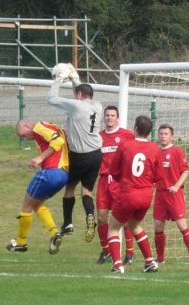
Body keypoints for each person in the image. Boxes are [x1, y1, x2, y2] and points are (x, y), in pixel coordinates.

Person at [47, 67, 103, 243]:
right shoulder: (97, 105)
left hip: (79, 156)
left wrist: (59, 79)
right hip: (96, 155)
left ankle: (68, 223)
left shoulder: (76, 106)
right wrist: (75, 79)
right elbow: (80, 92)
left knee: (69, 188)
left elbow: (51, 99)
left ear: (78, 96)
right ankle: (89, 216)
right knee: (86, 190)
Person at [106, 115, 164, 274]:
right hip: (146, 195)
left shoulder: (126, 146)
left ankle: (117, 265)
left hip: (128, 193)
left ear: (135, 129)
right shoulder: (155, 149)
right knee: (134, 225)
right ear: (150, 131)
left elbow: (114, 171)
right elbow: (159, 176)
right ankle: (150, 261)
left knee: (112, 227)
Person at [6, 120, 68, 255]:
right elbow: (64, 138)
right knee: (37, 205)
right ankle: (54, 233)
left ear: (28, 125)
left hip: (50, 172)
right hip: (63, 175)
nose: (27, 138)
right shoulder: (53, 126)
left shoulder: (39, 127)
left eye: (24, 134)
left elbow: (58, 142)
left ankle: (21, 243)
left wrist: (40, 158)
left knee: (26, 205)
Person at [95, 106, 135, 265]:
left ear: (117, 118)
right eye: (107, 115)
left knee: (124, 218)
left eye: (112, 115)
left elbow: (135, 152)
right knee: (101, 217)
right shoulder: (98, 136)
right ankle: (106, 251)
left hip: (120, 180)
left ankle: (130, 253)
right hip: (104, 180)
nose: (109, 118)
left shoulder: (127, 135)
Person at [153, 124, 189, 264]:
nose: (163, 136)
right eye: (161, 134)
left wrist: (177, 186)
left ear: (171, 136)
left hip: (174, 194)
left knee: (182, 225)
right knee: (158, 226)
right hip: (160, 194)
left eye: (166, 134)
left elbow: (185, 171)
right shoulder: (155, 152)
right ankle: (160, 259)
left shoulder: (177, 151)